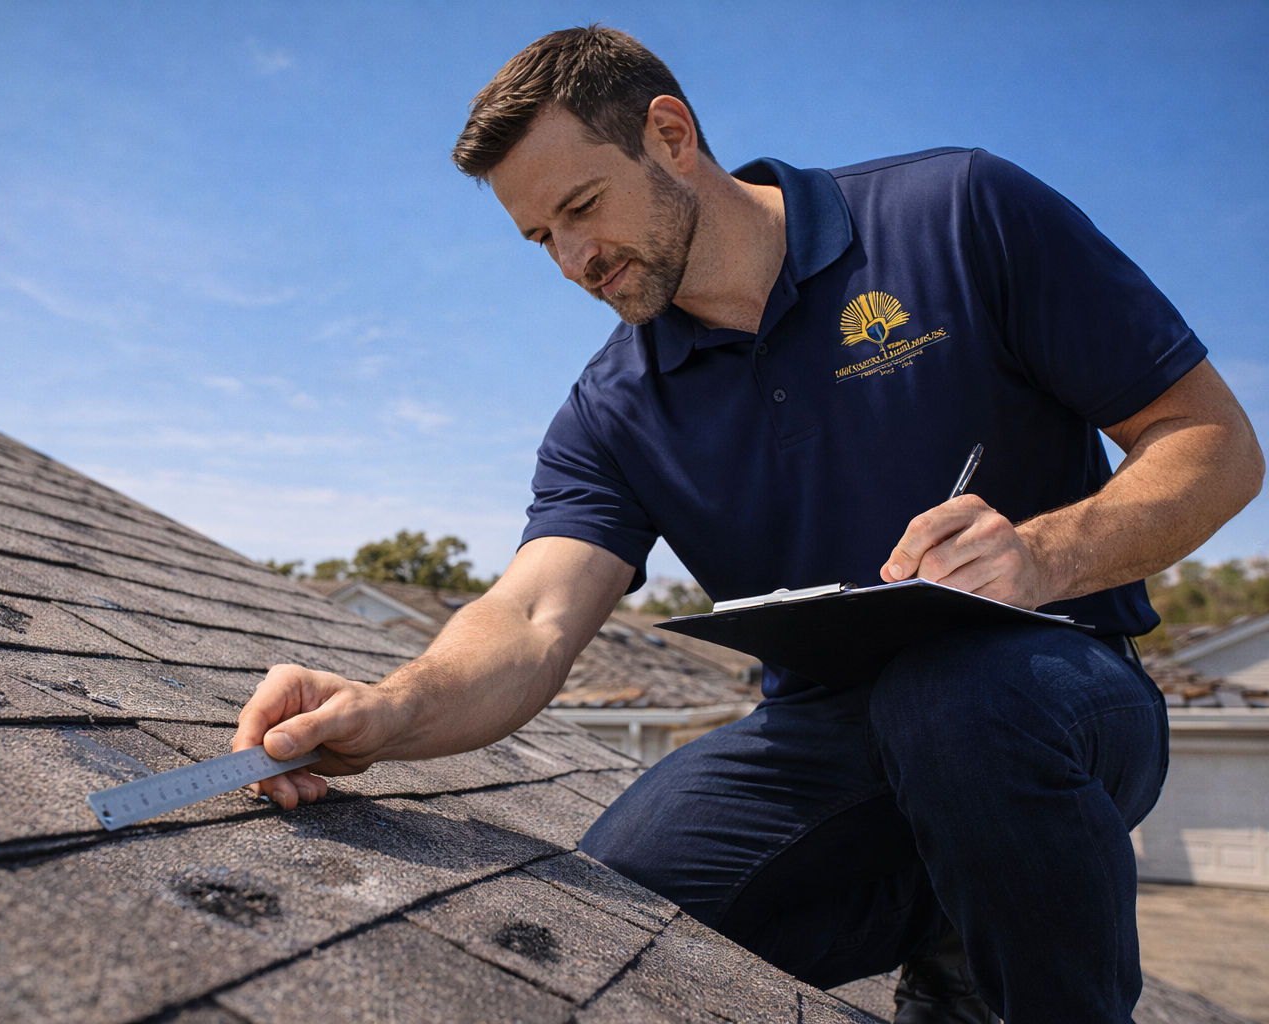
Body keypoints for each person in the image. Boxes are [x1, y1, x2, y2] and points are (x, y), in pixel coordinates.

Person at [232, 26, 1263, 1024]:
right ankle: (963, 909)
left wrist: (1039, 555)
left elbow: (1213, 443)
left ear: (670, 135)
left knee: (956, 705)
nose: (576, 261)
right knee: (623, 909)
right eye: (543, 238)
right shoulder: (612, 409)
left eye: (584, 206)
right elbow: (534, 615)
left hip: (1063, 694)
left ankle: (997, 983)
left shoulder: (959, 211)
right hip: (829, 742)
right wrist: (386, 711)